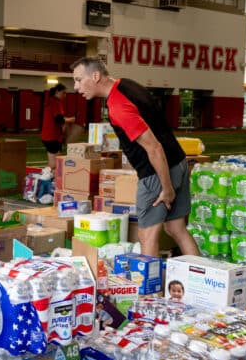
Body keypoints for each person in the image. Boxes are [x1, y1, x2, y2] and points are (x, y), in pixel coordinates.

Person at [70, 56, 200, 258]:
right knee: (176, 229)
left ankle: (150, 290)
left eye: (79, 80)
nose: (76, 87)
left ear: (95, 76)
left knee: (147, 235)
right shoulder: (128, 85)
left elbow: (154, 148)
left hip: (158, 172)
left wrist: (166, 188)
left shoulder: (118, 106)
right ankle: (201, 281)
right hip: (178, 161)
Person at [40, 83, 74, 171]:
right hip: (52, 137)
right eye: (64, 93)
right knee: (54, 164)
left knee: (56, 162)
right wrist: (71, 120)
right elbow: (59, 119)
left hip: (50, 136)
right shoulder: (55, 103)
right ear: (57, 92)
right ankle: (42, 178)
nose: (65, 95)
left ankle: (52, 179)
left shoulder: (50, 102)